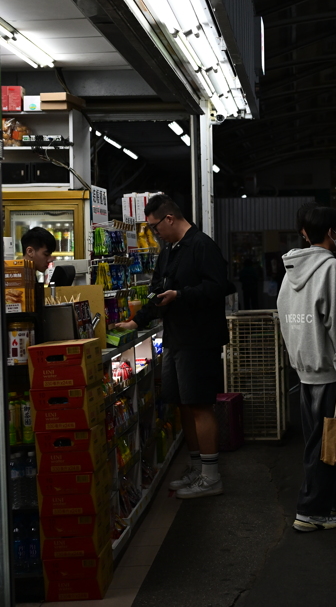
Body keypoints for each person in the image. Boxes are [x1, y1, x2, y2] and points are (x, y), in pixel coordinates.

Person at [111, 194, 230, 499]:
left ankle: (211, 476)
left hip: (199, 339)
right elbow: (156, 291)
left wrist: (181, 295)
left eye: (154, 227)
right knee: (184, 404)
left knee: (200, 405)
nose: (154, 233)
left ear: (169, 218)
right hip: (176, 339)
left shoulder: (202, 245)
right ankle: (198, 468)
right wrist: (136, 321)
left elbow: (218, 288)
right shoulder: (169, 251)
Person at [278, 205, 336, 532]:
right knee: (322, 443)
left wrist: (298, 358)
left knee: (327, 436)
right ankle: (310, 510)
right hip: (329, 370)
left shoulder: (290, 268)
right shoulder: (331, 267)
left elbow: (284, 317)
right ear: (332, 232)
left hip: (305, 368)